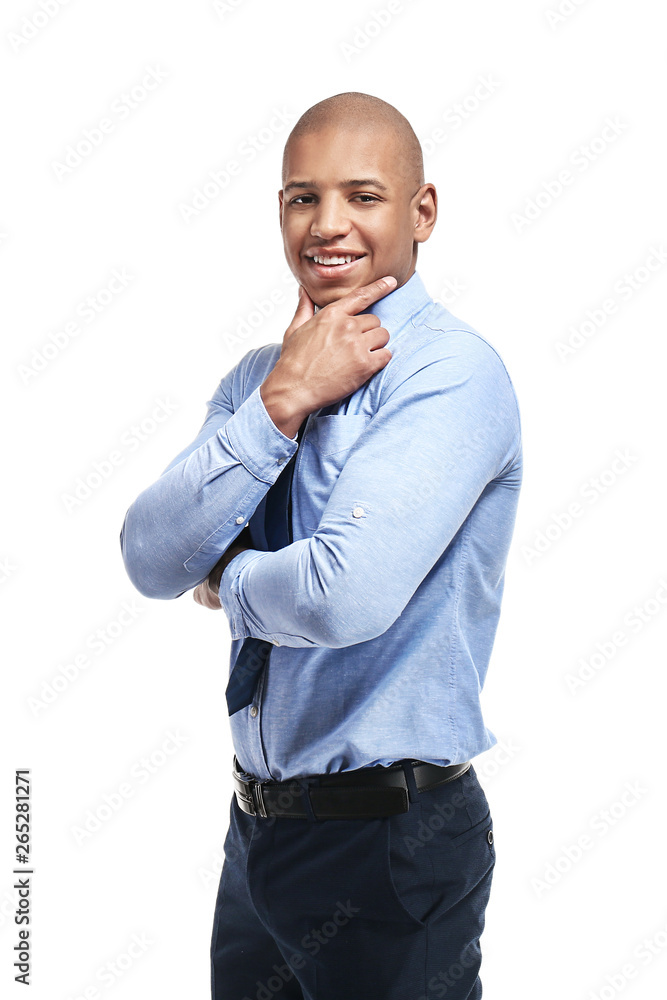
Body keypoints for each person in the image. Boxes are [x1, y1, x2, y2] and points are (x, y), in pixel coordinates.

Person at [120, 91, 522, 1000]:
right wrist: (279, 403)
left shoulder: (451, 375)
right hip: (258, 832)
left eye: (362, 196)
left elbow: (344, 593)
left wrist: (227, 579)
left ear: (421, 211)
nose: (327, 225)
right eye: (302, 197)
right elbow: (149, 556)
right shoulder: (257, 379)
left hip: (392, 844)